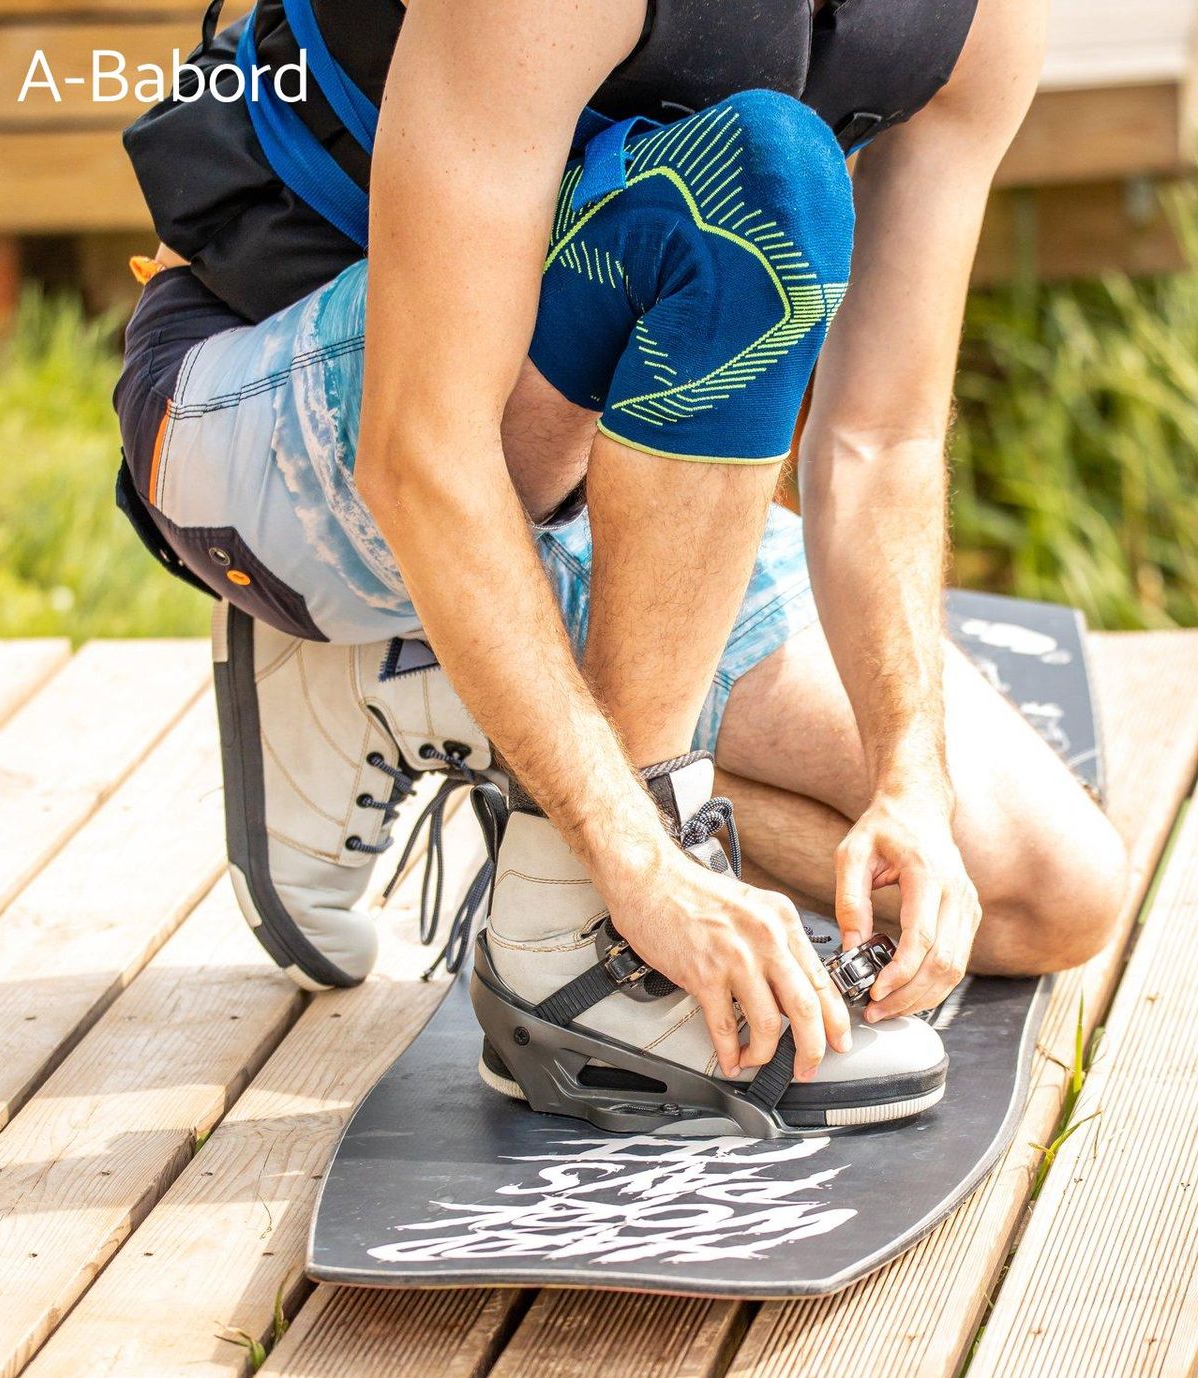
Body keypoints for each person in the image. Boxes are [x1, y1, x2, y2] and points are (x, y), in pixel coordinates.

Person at [112, 0, 1127, 1136]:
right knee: (755, 184)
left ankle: (437, 686)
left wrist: (912, 783)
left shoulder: (983, 21)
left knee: (1049, 895)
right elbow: (419, 454)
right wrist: (634, 860)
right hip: (275, 427)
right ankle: (564, 934)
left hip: (582, 478)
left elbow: (878, 441)